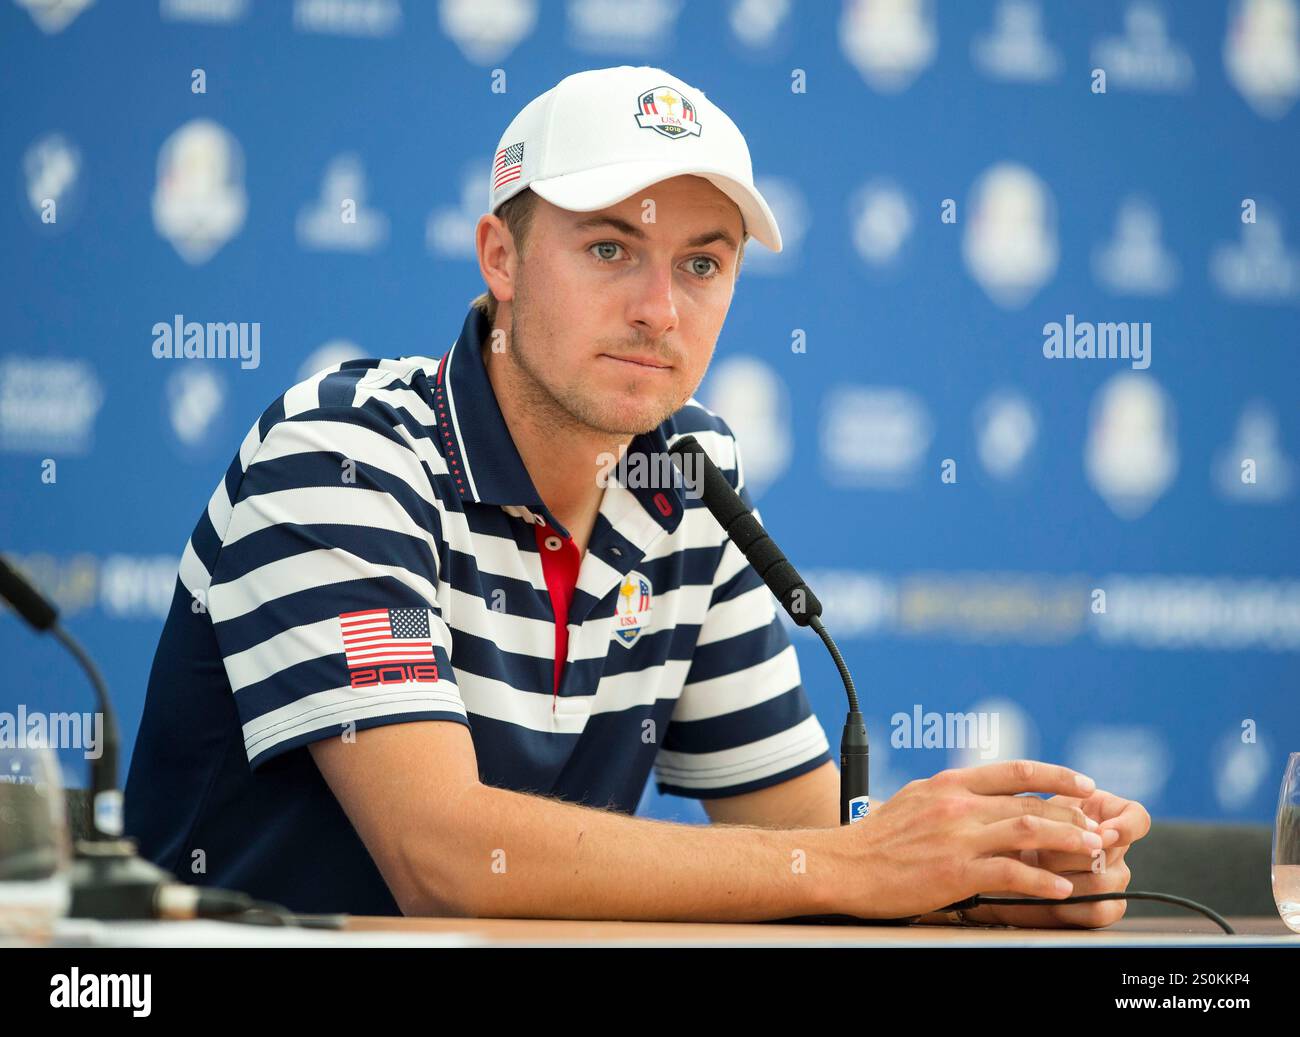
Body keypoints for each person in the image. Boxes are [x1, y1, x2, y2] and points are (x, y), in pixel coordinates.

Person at [125, 65, 1148, 925]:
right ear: (502, 258)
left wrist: (982, 873)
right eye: (611, 248)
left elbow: (800, 845)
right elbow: (442, 857)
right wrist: (855, 864)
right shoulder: (345, 453)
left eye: (702, 263)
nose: (659, 310)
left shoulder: (686, 473)